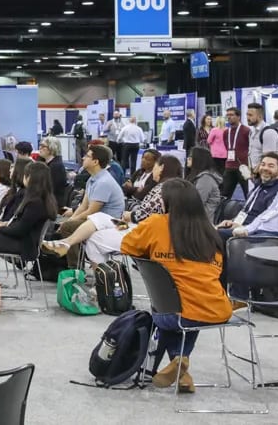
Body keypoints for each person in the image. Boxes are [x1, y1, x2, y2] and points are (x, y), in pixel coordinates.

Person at [121, 179, 232, 394]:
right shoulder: (210, 232)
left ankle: (179, 360)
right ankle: (181, 366)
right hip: (218, 310)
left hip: (172, 313)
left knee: (169, 311)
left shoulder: (156, 223)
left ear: (166, 203)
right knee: (187, 313)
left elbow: (126, 246)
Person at [44, 155, 183, 265]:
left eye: (156, 166)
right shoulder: (167, 187)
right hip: (133, 226)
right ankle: (67, 243)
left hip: (139, 230)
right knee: (99, 217)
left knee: (93, 237)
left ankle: (101, 281)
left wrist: (129, 214)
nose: (153, 169)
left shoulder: (162, 189)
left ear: (162, 167)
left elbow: (142, 216)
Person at [50, 144, 125, 267]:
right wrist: (71, 218)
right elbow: (83, 206)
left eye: (87, 156)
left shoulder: (104, 182)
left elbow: (91, 211)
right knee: (66, 224)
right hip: (95, 220)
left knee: (67, 227)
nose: (83, 158)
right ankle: (72, 264)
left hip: (110, 222)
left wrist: (70, 222)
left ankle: (75, 267)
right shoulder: (92, 179)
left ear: (95, 162)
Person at [215, 152, 278, 238]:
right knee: (207, 230)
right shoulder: (258, 186)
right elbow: (246, 211)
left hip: (253, 232)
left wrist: (245, 227)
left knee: (211, 234)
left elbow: (269, 221)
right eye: (263, 164)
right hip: (240, 225)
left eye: (271, 166)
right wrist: (232, 221)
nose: (265, 168)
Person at [186, 146, 222, 222]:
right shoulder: (196, 176)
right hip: (194, 218)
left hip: (202, 221)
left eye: (191, 156)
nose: (188, 158)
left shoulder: (206, 179)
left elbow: (197, 203)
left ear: (198, 160)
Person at [220, 107, 250, 200]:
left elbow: (250, 147)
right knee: (224, 194)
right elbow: (227, 147)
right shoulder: (226, 132)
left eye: (232, 115)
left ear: (238, 117)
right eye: (227, 115)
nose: (229, 117)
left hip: (243, 167)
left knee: (248, 193)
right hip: (229, 166)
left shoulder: (246, 131)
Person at [38, 136, 68, 207]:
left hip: (52, 203)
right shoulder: (47, 163)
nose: (40, 148)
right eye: (40, 145)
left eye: (43, 146)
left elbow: (51, 188)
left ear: (51, 148)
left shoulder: (56, 166)